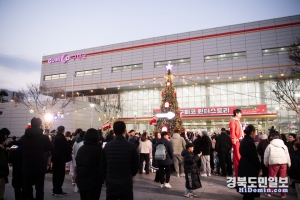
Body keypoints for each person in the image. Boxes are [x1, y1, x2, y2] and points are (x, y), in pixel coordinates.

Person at [101, 121, 139, 200]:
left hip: (111, 180)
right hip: (126, 180)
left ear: (114, 131)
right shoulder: (131, 147)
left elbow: (103, 165)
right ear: (124, 131)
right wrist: (131, 173)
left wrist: (106, 177)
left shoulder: (107, 146)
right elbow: (136, 164)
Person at [19, 117, 53, 200]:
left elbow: (20, 146)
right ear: (40, 125)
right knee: (39, 187)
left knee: (27, 186)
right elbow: (50, 147)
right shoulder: (44, 138)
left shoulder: (24, 137)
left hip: (27, 164)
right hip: (40, 165)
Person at [76, 128, 103, 200]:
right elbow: (102, 165)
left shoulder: (81, 149)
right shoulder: (98, 150)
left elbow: (78, 162)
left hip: (81, 179)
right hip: (94, 181)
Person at [264, 132, 291, 198]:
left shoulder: (269, 146)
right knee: (283, 179)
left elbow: (266, 156)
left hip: (273, 163)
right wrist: (289, 164)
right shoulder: (284, 146)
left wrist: (266, 163)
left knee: (272, 178)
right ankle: (283, 194)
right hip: (283, 163)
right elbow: (288, 156)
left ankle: (270, 192)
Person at [238, 125, 261, 200]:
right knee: (250, 188)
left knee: (246, 188)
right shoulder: (250, 142)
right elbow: (254, 156)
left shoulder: (244, 140)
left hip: (243, 164)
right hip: (250, 166)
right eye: (255, 132)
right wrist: (259, 166)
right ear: (252, 132)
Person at [51, 126, 72, 196]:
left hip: (55, 158)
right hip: (61, 159)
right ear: (63, 131)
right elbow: (68, 148)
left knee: (55, 175)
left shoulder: (55, 138)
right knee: (60, 175)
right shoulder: (62, 138)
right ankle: (58, 190)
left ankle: (55, 189)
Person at [229, 109, 243, 179]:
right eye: (240, 113)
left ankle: (239, 176)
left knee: (240, 158)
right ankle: (238, 178)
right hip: (237, 141)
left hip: (240, 140)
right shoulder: (233, 122)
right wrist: (233, 140)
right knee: (238, 158)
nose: (241, 114)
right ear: (237, 113)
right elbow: (232, 132)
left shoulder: (238, 121)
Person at [0, 134, 9, 200]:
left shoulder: (2, 149)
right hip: (1, 172)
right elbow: (3, 162)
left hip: (2, 172)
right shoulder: (1, 150)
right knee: (1, 186)